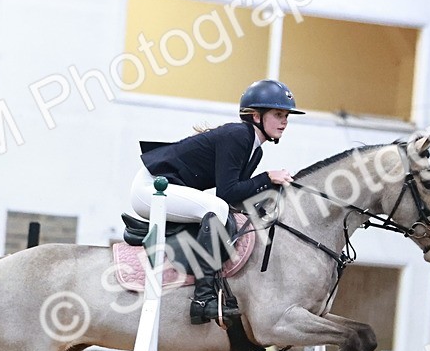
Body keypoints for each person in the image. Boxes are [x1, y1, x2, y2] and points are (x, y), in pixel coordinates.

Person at [129, 79, 303, 325]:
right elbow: (227, 194)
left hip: (165, 188)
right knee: (217, 208)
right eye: (278, 114)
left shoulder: (255, 149)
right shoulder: (239, 135)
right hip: (151, 189)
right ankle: (203, 298)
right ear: (255, 116)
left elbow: (239, 197)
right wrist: (267, 178)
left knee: (222, 211)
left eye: (286, 115)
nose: (285, 121)